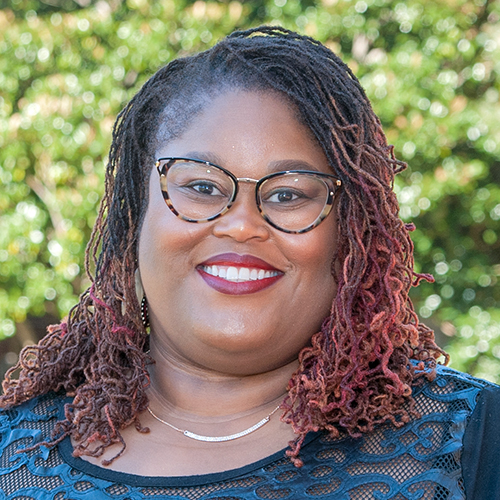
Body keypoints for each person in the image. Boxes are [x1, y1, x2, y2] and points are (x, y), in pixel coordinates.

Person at [0, 26, 498, 499]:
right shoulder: (11, 456)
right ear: (134, 221)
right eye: (200, 187)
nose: (241, 224)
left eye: (286, 194)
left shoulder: (471, 444)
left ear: (352, 236)